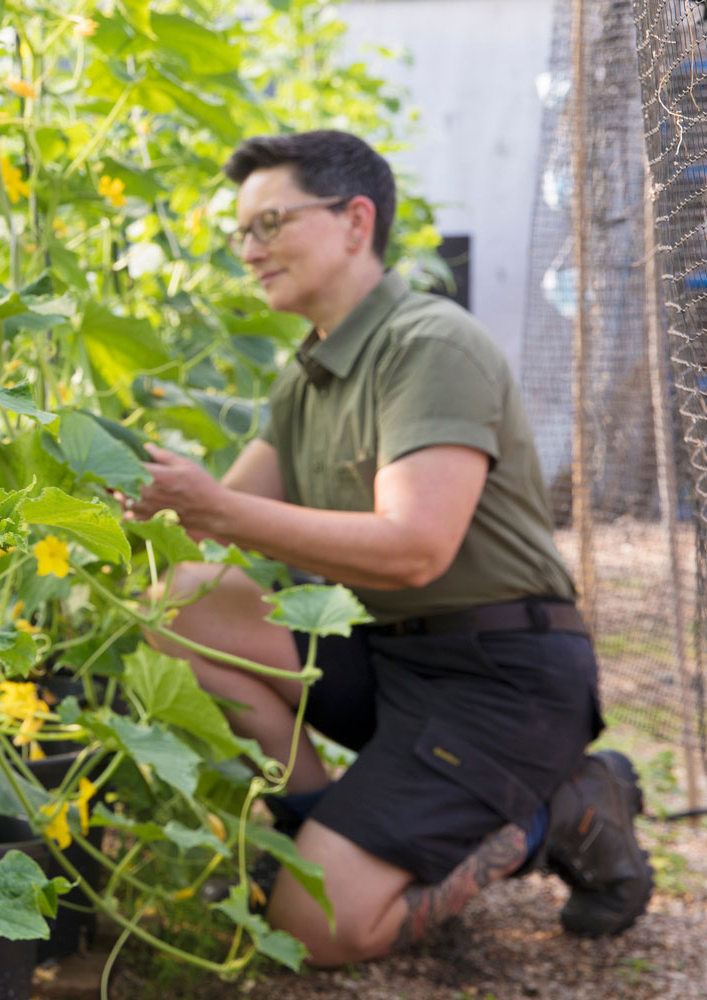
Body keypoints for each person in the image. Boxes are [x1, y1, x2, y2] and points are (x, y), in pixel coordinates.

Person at [127, 130, 654, 967]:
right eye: (241, 234)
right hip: (390, 657)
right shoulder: (307, 376)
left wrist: (216, 507)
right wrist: (94, 489)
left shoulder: (427, 345)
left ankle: (569, 805)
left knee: (314, 933)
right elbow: (206, 525)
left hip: (500, 679)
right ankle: (316, 831)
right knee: (185, 603)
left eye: (270, 224)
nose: (249, 251)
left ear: (353, 220)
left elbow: (415, 550)